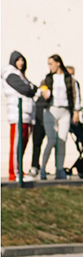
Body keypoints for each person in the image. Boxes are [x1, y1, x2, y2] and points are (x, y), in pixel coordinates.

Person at [38, 54, 80, 180]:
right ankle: (43, 168)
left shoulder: (69, 79)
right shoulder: (47, 79)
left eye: (51, 64)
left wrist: (76, 111)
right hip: (51, 110)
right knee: (51, 140)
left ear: (58, 63)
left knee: (62, 141)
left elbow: (75, 94)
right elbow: (41, 91)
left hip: (65, 111)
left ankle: (59, 169)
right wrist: (43, 93)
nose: (50, 67)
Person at [3, 51, 37, 181]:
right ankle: (14, 173)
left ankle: (19, 171)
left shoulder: (21, 75)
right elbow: (27, 89)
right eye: (18, 60)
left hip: (26, 114)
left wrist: (32, 88)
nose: (21, 63)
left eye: (22, 60)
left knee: (22, 145)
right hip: (17, 114)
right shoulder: (10, 74)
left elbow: (32, 88)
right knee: (16, 145)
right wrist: (31, 88)